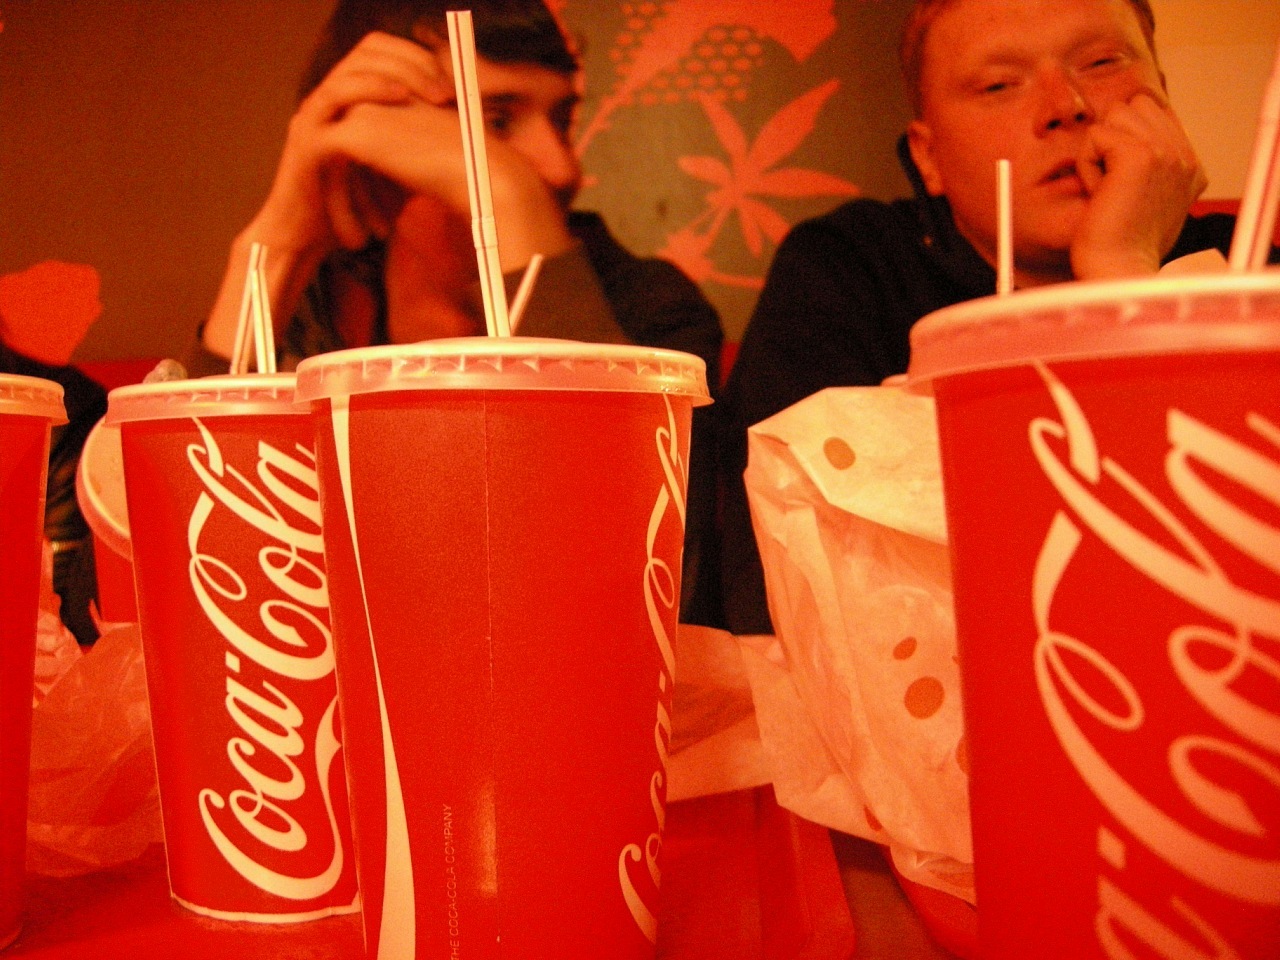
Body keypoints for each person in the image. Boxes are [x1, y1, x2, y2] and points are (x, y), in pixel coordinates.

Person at [716, 0, 1252, 635]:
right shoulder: (852, 271)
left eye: (1102, 62)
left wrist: (1121, 269)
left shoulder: (1250, 268)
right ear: (929, 158)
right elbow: (778, 587)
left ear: (1163, 96)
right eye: (998, 85)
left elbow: (1244, 564)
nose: (1065, 105)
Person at [187, 0, 723, 621]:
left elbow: (654, 595)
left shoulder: (650, 313)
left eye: (562, 119)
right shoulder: (312, 319)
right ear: (373, 145)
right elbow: (193, 572)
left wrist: (511, 200)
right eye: (496, 122)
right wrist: (271, 249)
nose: (563, 167)